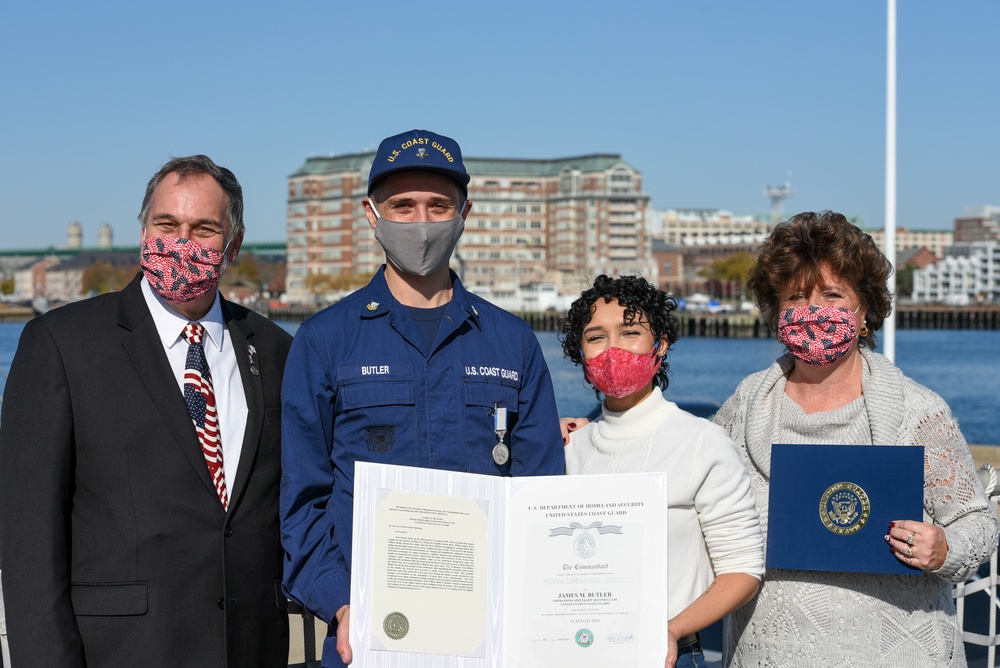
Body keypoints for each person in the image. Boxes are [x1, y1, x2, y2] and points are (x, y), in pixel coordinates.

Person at [280, 129, 565, 667]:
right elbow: (302, 502)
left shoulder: (512, 342)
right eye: (402, 206)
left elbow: (541, 495)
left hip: (490, 634)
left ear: (464, 213)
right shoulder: (325, 341)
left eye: (438, 205)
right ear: (372, 213)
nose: (421, 222)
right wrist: (340, 603)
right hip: (365, 633)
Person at [0, 155, 292, 667]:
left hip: (250, 648)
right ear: (143, 232)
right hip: (123, 652)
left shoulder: (273, 350)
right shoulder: (62, 344)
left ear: (234, 245)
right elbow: (27, 538)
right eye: (167, 224)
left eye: (203, 228)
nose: (182, 242)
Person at [714, 211, 1000, 666]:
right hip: (768, 653)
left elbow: (978, 524)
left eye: (832, 294)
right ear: (776, 312)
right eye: (796, 297)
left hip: (901, 652)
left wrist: (943, 548)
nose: (814, 310)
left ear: (863, 309)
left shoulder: (919, 411)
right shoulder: (741, 409)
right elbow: (689, 492)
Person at [562, 274, 764, 668]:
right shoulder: (570, 449)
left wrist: (671, 630)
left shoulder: (702, 442)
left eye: (630, 332)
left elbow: (743, 570)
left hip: (668, 656)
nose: (613, 349)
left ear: (661, 344)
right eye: (596, 337)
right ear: (581, 353)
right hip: (577, 651)